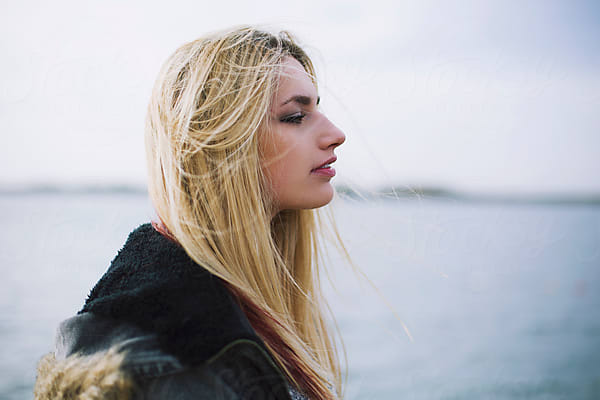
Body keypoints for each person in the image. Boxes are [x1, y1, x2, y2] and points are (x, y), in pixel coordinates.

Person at [34, 26, 346, 400]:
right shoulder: (163, 361)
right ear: (219, 142)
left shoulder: (234, 306)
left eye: (318, 108)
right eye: (295, 116)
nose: (335, 132)